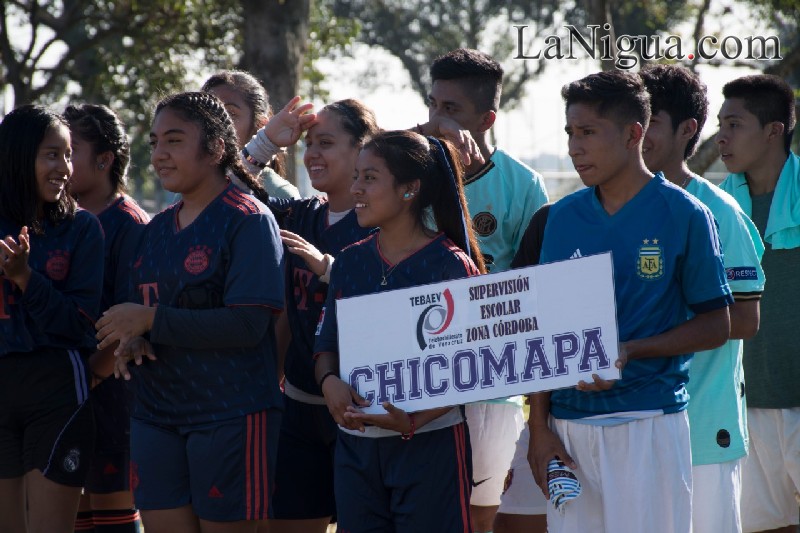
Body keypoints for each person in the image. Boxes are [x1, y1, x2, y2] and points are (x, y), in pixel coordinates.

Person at [527, 70, 733, 533]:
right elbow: (542, 329)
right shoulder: (559, 219)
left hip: (649, 422)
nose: (574, 147)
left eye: (587, 132)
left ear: (633, 134)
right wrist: (539, 430)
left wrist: (631, 350)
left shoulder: (685, 213)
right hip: (569, 429)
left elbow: (717, 325)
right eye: (569, 134)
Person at [94, 91, 284, 531]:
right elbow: (139, 311)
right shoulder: (155, 229)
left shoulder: (249, 220)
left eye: (174, 141)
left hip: (229, 414)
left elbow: (249, 324)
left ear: (216, 148)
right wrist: (132, 340)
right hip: (155, 415)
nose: (159, 155)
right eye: (155, 142)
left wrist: (151, 321)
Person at [314, 130, 485, 532]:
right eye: (356, 176)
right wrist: (328, 383)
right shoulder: (351, 262)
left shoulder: (451, 266)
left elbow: (476, 371)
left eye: (369, 178)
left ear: (410, 189)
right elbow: (326, 345)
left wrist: (414, 420)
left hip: (431, 447)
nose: (356, 189)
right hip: (356, 450)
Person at [415, 47, 549, 533]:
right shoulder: (412, 172)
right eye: (432, 105)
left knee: (480, 517)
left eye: (451, 110)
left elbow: (537, 288)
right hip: (419, 373)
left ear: (487, 119)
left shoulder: (525, 186)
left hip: (492, 382)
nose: (436, 119)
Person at [640, 64, 765, 533]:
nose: (637, 132)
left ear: (687, 130)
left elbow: (746, 320)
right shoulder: (611, 207)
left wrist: (645, 336)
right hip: (631, 427)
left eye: (650, 119)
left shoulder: (719, 212)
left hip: (702, 432)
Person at [260, 99, 379, 533]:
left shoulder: (385, 222)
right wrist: (267, 142)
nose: (312, 154)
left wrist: (329, 269)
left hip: (366, 408)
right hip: (298, 404)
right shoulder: (298, 214)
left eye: (326, 143)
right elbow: (225, 189)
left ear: (364, 149)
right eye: (309, 144)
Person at [0, 105, 104, 533]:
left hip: (56, 391)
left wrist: (24, 276)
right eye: (51, 154)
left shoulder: (82, 229)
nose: (65, 167)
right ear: (18, 156)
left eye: (68, 155)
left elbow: (80, 326)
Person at [716, 74, 800, 533]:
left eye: (735, 123)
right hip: (744, 407)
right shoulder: (713, 209)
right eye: (720, 123)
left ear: (774, 129)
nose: (722, 137)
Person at [64, 103, 149, 533]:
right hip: (61, 395)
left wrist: (87, 378)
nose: (60, 163)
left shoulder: (129, 225)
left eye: (70, 150)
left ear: (105, 160)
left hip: (110, 395)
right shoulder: (57, 222)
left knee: (111, 513)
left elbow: (128, 322)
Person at [201, 70, 300, 200]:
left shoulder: (280, 194)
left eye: (231, 114)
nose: (215, 122)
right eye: (207, 113)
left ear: (261, 126)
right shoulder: (190, 187)